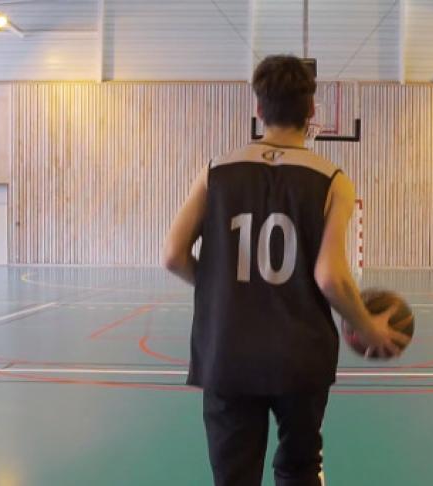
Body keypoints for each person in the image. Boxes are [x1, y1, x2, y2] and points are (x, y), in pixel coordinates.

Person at [163, 55, 408, 486]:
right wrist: (366, 325)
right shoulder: (333, 179)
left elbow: (172, 256)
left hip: (227, 351)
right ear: (312, 112)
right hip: (300, 356)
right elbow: (330, 277)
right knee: (299, 469)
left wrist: (223, 289)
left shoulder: (215, 172)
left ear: (258, 109)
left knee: (232, 476)